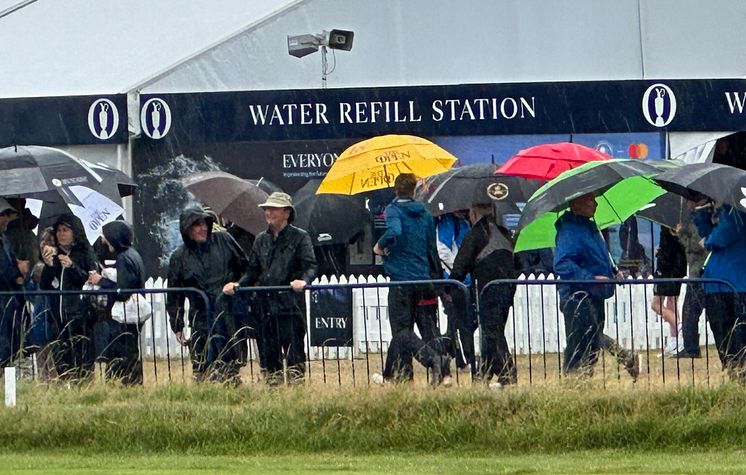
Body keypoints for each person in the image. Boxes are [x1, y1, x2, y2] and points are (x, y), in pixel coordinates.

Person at [223, 192, 317, 386]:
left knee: (295, 356)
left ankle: (296, 396)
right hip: (264, 308)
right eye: (267, 208)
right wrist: (240, 284)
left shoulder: (300, 237)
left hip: (290, 307)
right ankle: (273, 394)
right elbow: (253, 270)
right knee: (268, 357)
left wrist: (303, 281)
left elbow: (311, 266)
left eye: (273, 208)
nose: (268, 211)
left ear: (287, 212)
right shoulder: (260, 240)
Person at [371, 173, 451, 385]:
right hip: (421, 277)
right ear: (414, 190)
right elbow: (431, 248)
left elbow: (395, 230)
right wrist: (436, 279)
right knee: (409, 327)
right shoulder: (424, 213)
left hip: (400, 278)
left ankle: (433, 359)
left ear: (396, 189)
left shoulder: (393, 210)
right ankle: (401, 376)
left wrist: (380, 246)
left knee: (401, 330)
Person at [553, 193, 639, 380]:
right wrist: (590, 277)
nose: (596, 203)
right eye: (590, 200)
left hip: (595, 294)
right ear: (576, 203)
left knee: (591, 342)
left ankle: (581, 379)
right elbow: (562, 264)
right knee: (582, 340)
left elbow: (598, 258)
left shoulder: (591, 228)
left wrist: (612, 272)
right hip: (577, 296)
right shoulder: (570, 231)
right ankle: (576, 379)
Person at [167, 207, 247, 383]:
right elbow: (174, 295)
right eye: (197, 224)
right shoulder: (179, 257)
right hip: (199, 317)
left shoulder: (224, 240)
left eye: (205, 223)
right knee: (201, 364)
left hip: (227, 314)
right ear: (187, 229)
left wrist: (237, 285)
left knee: (230, 364)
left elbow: (246, 268)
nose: (203, 228)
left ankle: (232, 392)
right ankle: (204, 395)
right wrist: (177, 325)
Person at [449, 203, 518, 388]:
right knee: (493, 330)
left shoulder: (477, 234)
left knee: (491, 331)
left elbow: (460, 266)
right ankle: (483, 374)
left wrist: (451, 287)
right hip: (508, 285)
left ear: (474, 212)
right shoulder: (504, 233)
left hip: (489, 288)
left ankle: (507, 372)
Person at [40, 214, 99, 381]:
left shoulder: (85, 252)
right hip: (58, 316)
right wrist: (49, 266)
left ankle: (83, 382)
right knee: (61, 356)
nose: (61, 234)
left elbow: (90, 280)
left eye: (65, 230)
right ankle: (65, 382)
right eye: (58, 230)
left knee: (82, 354)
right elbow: (45, 285)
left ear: (74, 233)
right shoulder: (55, 255)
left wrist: (72, 267)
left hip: (80, 315)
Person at [87, 221, 146, 385]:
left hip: (123, 317)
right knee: (130, 351)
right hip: (131, 316)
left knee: (121, 353)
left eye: (106, 237)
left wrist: (102, 281)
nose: (104, 240)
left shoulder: (123, 258)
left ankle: (122, 384)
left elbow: (123, 291)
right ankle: (130, 382)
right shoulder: (133, 254)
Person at [693, 200, 746, 381]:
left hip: (734, 286)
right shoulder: (726, 211)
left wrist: (708, 240)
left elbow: (722, 235)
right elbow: (708, 234)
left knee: (735, 339)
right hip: (717, 286)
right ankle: (733, 374)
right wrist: (702, 211)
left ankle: (738, 376)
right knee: (723, 337)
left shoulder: (738, 212)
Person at [435, 212, 476, 375]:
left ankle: (452, 354)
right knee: (460, 321)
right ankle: (463, 358)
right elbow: (442, 249)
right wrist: (458, 270)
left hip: (463, 280)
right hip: (454, 280)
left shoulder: (463, 221)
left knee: (458, 322)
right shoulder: (448, 221)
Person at [674, 201, 707, 358]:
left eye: (690, 200)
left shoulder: (702, 219)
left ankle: (691, 349)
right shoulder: (694, 219)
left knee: (689, 312)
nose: (687, 204)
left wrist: (681, 234)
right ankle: (690, 347)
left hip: (699, 274)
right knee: (689, 312)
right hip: (696, 273)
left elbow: (696, 245)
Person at [650, 226, 687, 356]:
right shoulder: (680, 224)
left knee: (656, 304)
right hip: (678, 267)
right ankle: (674, 342)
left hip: (666, 269)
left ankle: (680, 327)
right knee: (672, 302)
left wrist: (660, 254)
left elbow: (667, 249)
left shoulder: (665, 226)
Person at [0, 199, 25, 368]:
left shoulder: (4, 239)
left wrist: (19, 271)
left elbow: (9, 264)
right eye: (4, 215)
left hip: (9, 299)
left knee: (10, 343)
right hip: (3, 297)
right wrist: (15, 274)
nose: (7, 219)